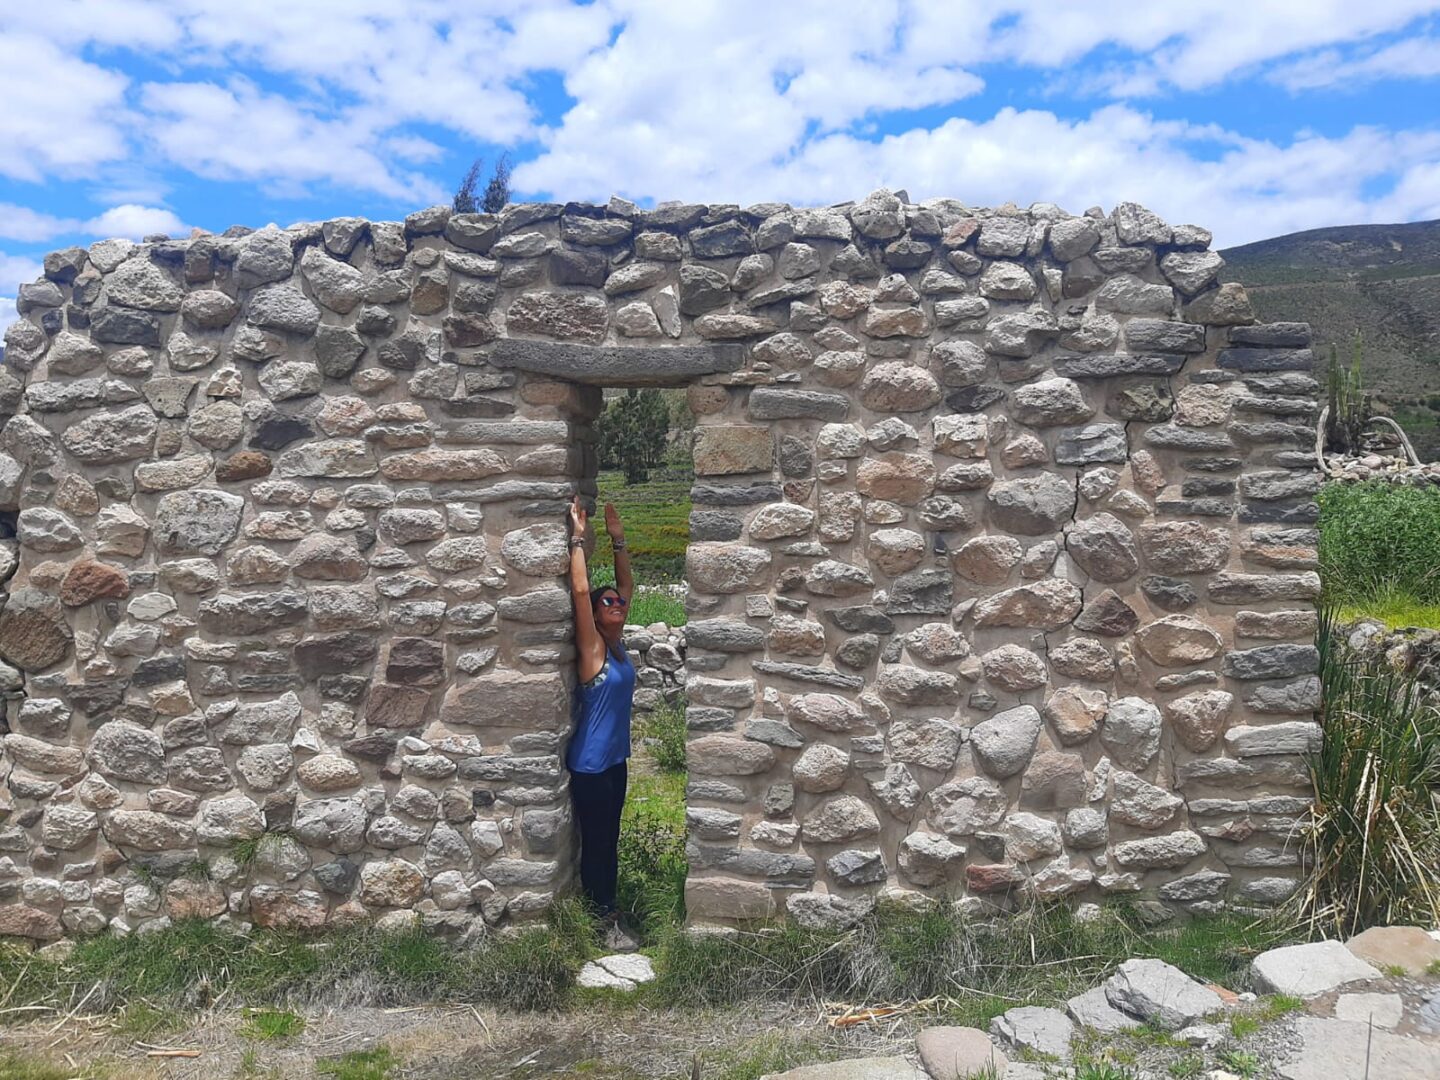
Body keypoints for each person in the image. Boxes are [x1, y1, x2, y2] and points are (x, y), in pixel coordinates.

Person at [566, 494, 641, 952]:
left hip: (615, 761)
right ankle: (601, 919)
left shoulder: (617, 645)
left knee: (609, 838)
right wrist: (578, 539)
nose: (616, 602)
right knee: (598, 843)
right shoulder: (594, 650)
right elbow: (580, 592)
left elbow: (627, 585)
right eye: (607, 601)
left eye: (618, 601)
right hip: (591, 765)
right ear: (596, 615)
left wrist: (618, 540)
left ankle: (606, 909)